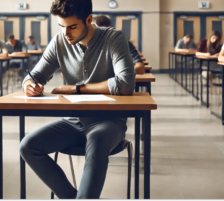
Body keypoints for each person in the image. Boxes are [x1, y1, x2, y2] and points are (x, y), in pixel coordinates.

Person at [19, 0, 135, 199]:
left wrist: (78, 88)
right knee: (28, 146)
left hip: (109, 121)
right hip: (74, 121)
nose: (66, 34)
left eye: (72, 27)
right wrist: (28, 84)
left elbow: (125, 84)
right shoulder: (60, 41)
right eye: (61, 26)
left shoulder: (114, 38)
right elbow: (36, 74)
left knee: (97, 139)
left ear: (89, 20)